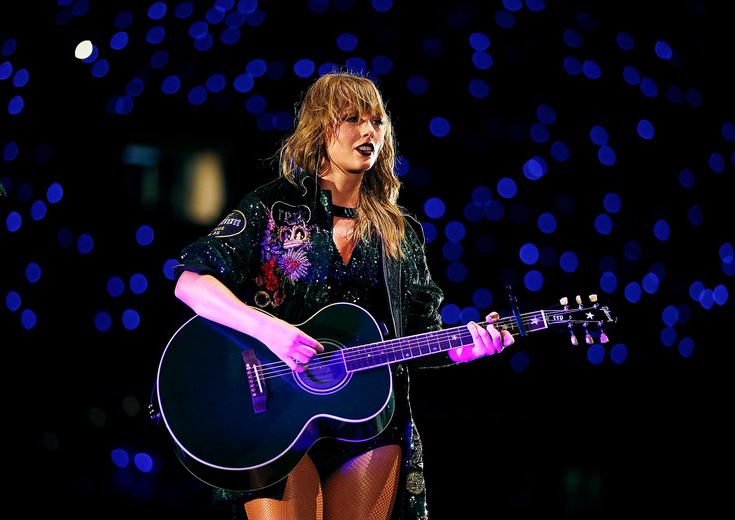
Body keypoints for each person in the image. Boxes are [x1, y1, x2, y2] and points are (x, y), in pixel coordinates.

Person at [172, 71, 514, 520]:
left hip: (369, 424)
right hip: (275, 416)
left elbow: (417, 336)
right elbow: (190, 282)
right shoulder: (273, 206)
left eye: (376, 121)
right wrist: (272, 332)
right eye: (352, 118)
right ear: (321, 128)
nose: (368, 131)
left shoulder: (399, 232)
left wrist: (464, 349)